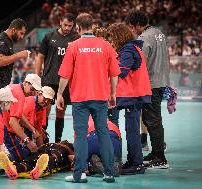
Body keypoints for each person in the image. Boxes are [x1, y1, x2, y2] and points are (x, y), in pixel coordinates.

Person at [56, 13, 120, 183]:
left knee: (81, 136)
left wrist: (59, 94)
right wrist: (113, 93)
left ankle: (80, 174)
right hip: (100, 97)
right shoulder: (106, 46)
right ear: (92, 26)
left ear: (78, 28)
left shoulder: (74, 46)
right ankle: (109, 173)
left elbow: (64, 75)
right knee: (103, 134)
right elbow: (114, 74)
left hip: (80, 99)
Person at [126, 10, 170, 169]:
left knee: (152, 120)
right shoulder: (159, 33)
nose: (132, 30)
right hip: (161, 80)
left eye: (132, 26)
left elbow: (139, 62)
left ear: (138, 25)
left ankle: (160, 157)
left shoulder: (143, 38)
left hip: (151, 83)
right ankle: (156, 152)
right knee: (152, 119)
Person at [107, 23, 152, 175]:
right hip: (134, 96)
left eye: (112, 37)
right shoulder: (131, 48)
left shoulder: (128, 50)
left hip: (134, 96)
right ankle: (133, 161)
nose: (111, 41)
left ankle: (137, 164)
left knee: (132, 130)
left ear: (119, 36)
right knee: (131, 129)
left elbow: (121, 72)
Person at [35, 13, 79, 143]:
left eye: (70, 26)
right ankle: (43, 141)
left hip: (65, 81)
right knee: (45, 111)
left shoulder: (76, 38)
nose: (67, 28)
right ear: (60, 22)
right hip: (49, 79)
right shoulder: (49, 36)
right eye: (65, 25)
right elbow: (40, 56)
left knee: (61, 112)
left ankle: (58, 141)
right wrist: (37, 76)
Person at [0, 18, 30, 103]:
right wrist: (19, 55)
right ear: (14, 30)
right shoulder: (2, 39)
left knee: (2, 113)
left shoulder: (8, 40)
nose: (22, 37)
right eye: (21, 33)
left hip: (1, 82)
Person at [3, 74, 42, 161]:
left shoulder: (16, 88)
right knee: (21, 157)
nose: (32, 93)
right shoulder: (19, 94)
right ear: (25, 83)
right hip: (2, 126)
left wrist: (33, 130)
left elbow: (19, 115)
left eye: (35, 91)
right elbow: (13, 122)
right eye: (32, 89)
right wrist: (27, 141)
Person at [0, 140, 74, 180]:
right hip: (60, 151)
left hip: (45, 147)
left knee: (32, 159)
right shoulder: (71, 148)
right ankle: (42, 169)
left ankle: (15, 167)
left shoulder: (61, 145)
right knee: (54, 158)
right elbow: (73, 158)